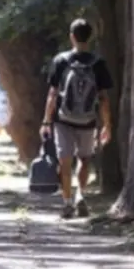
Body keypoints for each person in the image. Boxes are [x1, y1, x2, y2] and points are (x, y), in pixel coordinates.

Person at [40, 18, 113, 219]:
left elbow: (52, 94)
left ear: (71, 36)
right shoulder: (98, 63)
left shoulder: (61, 61)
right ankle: (80, 194)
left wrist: (46, 121)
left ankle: (66, 203)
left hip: (63, 120)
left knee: (65, 161)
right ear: (90, 37)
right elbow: (104, 98)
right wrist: (107, 124)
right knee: (84, 159)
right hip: (88, 121)